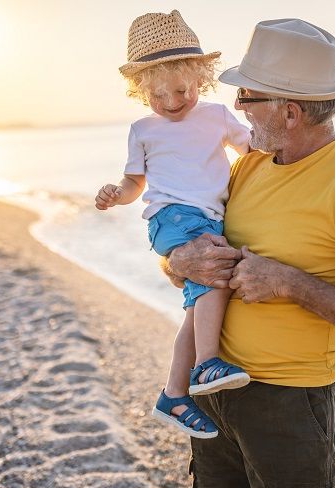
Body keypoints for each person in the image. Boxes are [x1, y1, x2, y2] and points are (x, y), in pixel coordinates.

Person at [165, 18, 335, 488]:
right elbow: (188, 269)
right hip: (212, 388)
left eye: (248, 97)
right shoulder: (248, 164)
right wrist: (180, 263)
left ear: (291, 112)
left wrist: (290, 283)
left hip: (290, 407)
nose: (236, 107)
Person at [94, 10, 252, 440]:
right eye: (157, 96)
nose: (170, 103)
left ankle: (173, 394)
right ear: (140, 92)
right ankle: (207, 365)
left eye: (181, 90)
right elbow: (134, 182)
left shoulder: (217, 115)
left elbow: (253, 150)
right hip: (171, 217)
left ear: (200, 77)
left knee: (194, 311)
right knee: (214, 275)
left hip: (205, 216)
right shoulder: (144, 129)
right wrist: (116, 194)